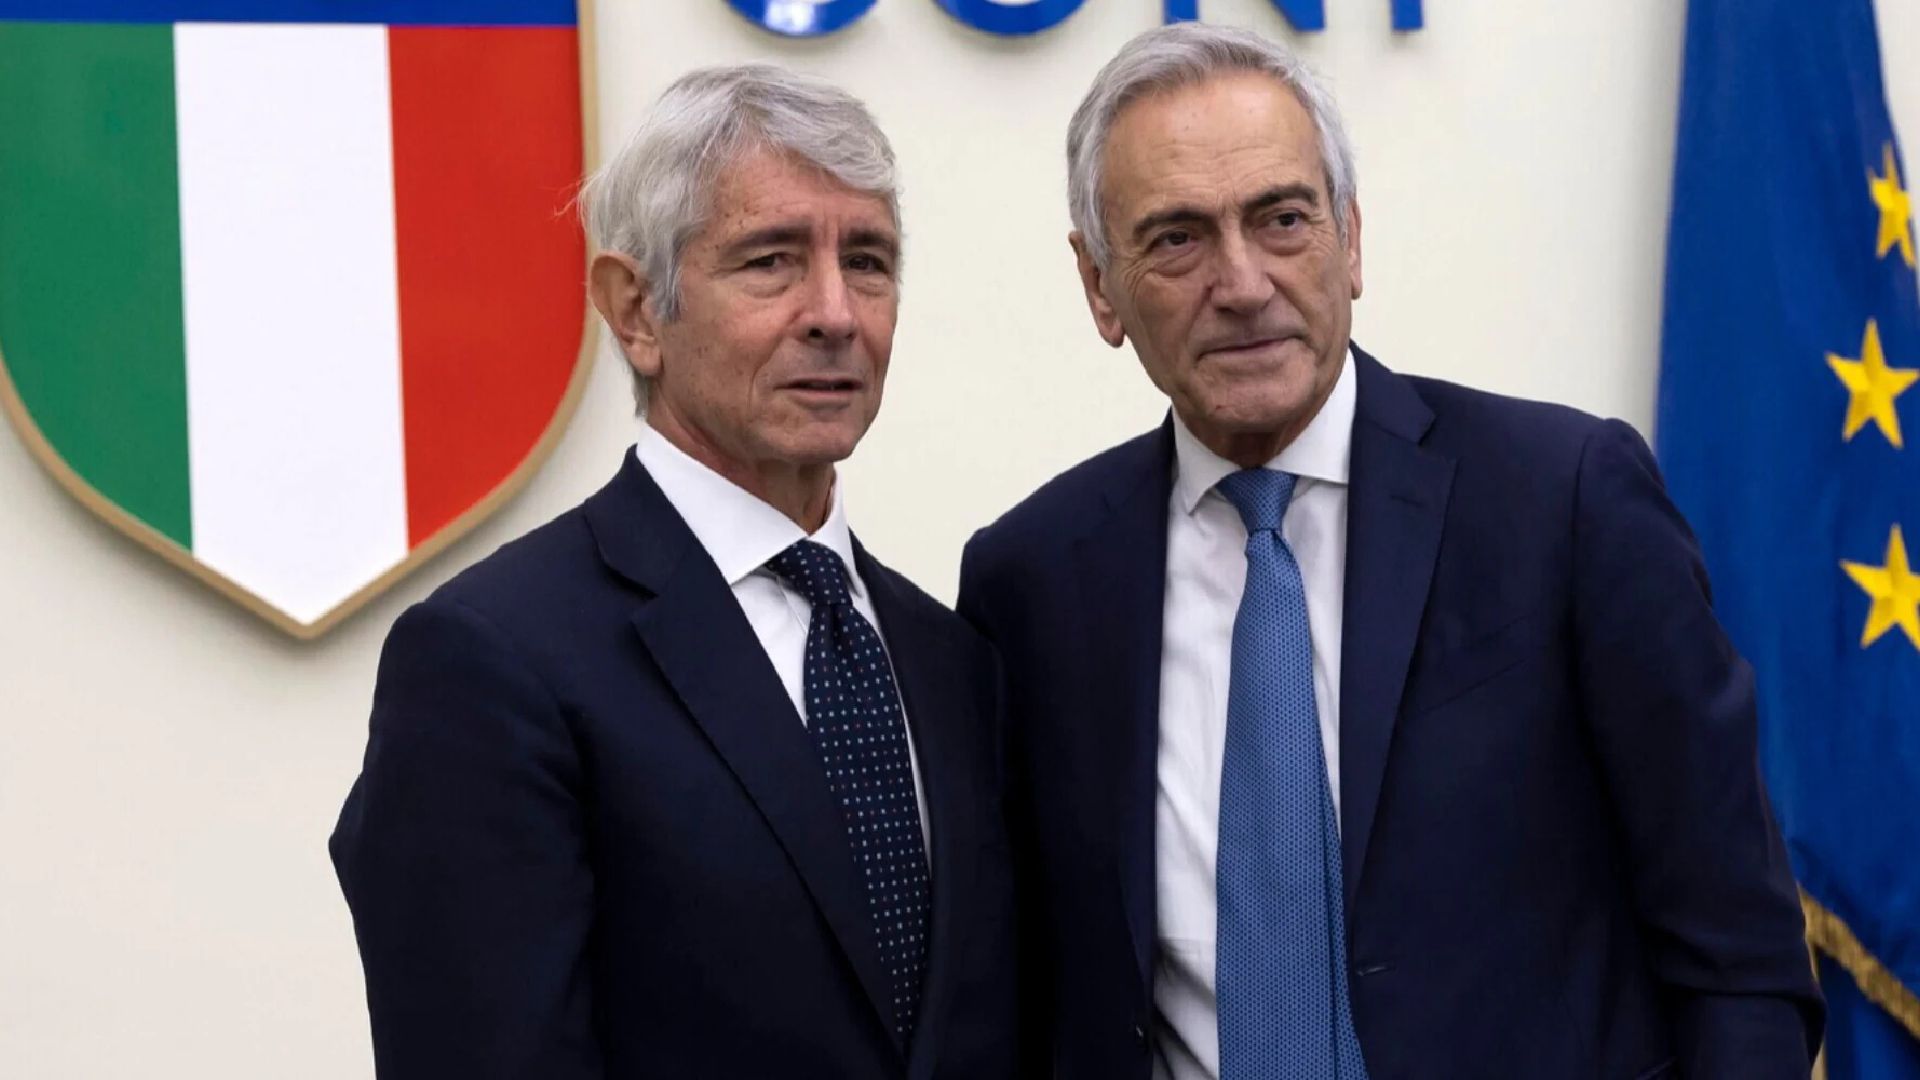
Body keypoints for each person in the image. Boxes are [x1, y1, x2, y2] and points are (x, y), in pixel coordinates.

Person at [958, 22, 1821, 1080]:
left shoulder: (1565, 501)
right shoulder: (1033, 584)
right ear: (1101, 286)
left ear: (1351, 240)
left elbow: (1738, 957)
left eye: (1282, 219)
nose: (1243, 282)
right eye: (1177, 239)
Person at [332, 64, 1020, 1079]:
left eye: (867, 261)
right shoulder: (492, 661)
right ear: (637, 310)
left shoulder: (952, 659)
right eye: (771, 261)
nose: (836, 313)